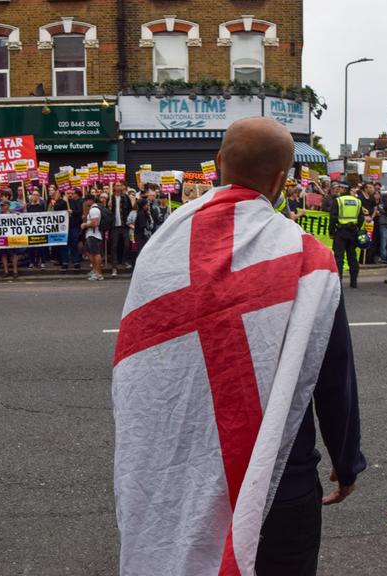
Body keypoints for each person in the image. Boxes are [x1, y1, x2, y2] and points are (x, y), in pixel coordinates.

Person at [112, 117, 365, 576]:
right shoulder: (307, 258)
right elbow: (332, 378)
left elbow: (145, 372)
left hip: (182, 474)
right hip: (281, 480)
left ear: (217, 164)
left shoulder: (162, 245)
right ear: (282, 180)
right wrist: (347, 462)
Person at [329, 182, 363, 288]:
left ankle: (338, 281)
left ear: (345, 189)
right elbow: (361, 218)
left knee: (339, 257)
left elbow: (333, 218)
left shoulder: (338, 201)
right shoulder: (358, 201)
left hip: (341, 232)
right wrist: (357, 228)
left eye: (340, 188)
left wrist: (331, 232)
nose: (338, 190)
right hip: (353, 232)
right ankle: (354, 281)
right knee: (352, 257)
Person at [108, 181, 133, 276]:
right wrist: (108, 205)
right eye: (117, 185)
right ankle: (114, 267)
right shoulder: (110, 198)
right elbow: (105, 211)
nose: (119, 187)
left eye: (120, 185)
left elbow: (130, 210)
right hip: (114, 226)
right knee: (114, 246)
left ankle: (124, 260)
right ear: (114, 187)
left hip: (124, 225)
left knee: (127, 245)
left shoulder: (126, 197)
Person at [81, 194, 103, 281]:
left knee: (96, 254)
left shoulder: (94, 210)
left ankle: (98, 274)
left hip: (94, 235)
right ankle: (95, 270)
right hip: (91, 235)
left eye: (86, 201)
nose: (85, 203)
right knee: (89, 252)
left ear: (90, 200)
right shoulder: (93, 209)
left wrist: (85, 225)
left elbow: (95, 223)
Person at [0, 199, 19, 279]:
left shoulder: (13, 213)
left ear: (8, 206)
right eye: (1, 206)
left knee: (13, 254)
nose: (2, 207)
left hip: (11, 237)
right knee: (4, 254)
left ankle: (15, 271)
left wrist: (18, 215)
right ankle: (6, 271)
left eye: (4, 205)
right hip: (2, 237)